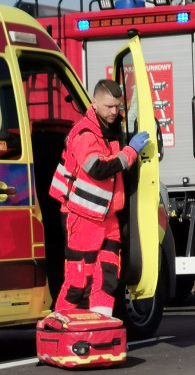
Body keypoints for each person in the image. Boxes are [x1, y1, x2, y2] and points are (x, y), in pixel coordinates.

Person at [49, 79, 149, 316]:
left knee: (107, 279)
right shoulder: (85, 132)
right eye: (108, 107)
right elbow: (97, 169)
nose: (114, 112)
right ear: (94, 103)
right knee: (78, 282)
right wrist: (131, 152)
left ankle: (99, 329)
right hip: (82, 218)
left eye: (118, 106)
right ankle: (62, 330)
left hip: (108, 220)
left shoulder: (110, 131)